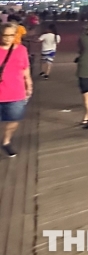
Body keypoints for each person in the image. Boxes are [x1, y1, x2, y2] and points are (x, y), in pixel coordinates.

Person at [0, 22, 32, 157]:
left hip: (16, 92)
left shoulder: (22, 50)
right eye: (4, 35)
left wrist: (29, 84)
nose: (7, 38)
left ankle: (6, 141)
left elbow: (25, 69)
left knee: (14, 120)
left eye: (11, 35)